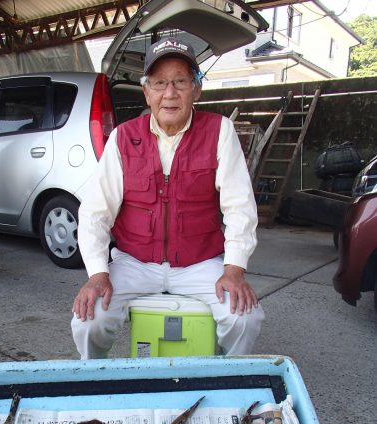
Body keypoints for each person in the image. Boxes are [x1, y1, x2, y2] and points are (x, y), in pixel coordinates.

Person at [71, 37, 264, 359]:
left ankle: (225, 382)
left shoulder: (220, 130)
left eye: (180, 82)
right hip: (134, 262)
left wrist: (234, 270)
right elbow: (95, 212)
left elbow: (239, 205)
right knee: (88, 321)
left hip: (199, 262)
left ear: (196, 89)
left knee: (244, 316)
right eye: (159, 83)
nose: (170, 93)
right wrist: (97, 274)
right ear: (146, 92)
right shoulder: (123, 137)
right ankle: (97, 379)